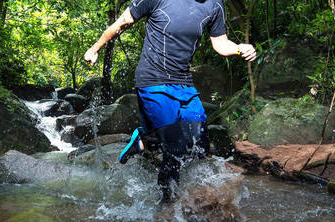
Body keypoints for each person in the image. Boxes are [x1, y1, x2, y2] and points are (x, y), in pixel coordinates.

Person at [84, 0, 256, 204]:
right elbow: (121, 23)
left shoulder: (214, 5)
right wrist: (95, 48)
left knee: (200, 146)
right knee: (175, 148)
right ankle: (166, 208)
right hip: (153, 80)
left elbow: (220, 43)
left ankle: (145, 139)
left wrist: (239, 48)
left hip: (184, 83)